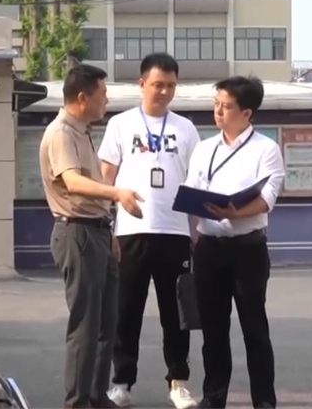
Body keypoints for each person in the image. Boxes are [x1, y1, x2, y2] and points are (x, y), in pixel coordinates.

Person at [97, 53, 201, 409]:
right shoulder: (120, 124)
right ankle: (122, 383)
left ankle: (178, 382)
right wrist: (107, 225)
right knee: (126, 311)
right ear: (142, 84)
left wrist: (195, 229)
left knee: (177, 314)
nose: (165, 91)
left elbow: (194, 182)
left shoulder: (185, 129)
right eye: (158, 84)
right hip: (131, 232)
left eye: (171, 85)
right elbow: (106, 178)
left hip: (175, 233)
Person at [39, 64, 145, 408]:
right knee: (85, 326)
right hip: (77, 233)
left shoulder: (82, 131)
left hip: (97, 231)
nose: (107, 100)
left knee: (106, 324)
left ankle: (97, 397)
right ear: (83, 98)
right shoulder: (61, 133)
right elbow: (73, 182)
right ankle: (78, 402)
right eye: (103, 94)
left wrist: (109, 228)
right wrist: (117, 194)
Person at [183, 76, 285, 409]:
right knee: (213, 331)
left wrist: (235, 213)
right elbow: (191, 192)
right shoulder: (204, 149)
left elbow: (267, 199)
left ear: (247, 112)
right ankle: (213, 399)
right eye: (216, 104)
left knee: (254, 330)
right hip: (209, 249)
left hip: (248, 250)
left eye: (226, 106)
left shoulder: (265, 149)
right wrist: (194, 233)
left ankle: (264, 401)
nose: (218, 111)